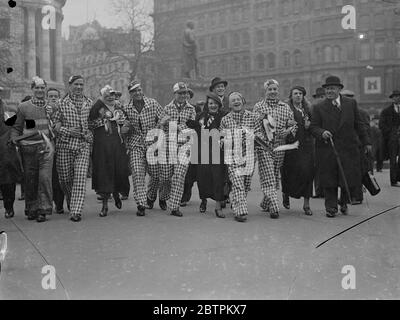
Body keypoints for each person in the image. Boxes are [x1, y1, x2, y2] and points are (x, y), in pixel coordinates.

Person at [310, 76, 371, 218]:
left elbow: (359, 124)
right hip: (327, 149)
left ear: (339, 89)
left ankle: (343, 202)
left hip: (348, 148)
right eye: (327, 89)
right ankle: (331, 207)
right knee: (329, 179)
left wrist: (367, 142)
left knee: (346, 177)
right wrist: (321, 132)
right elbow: (313, 127)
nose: (329, 91)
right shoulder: (319, 107)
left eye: (332, 88)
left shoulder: (351, 104)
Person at [10, 77, 55, 223]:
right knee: (30, 180)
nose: (40, 90)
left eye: (42, 88)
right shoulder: (23, 107)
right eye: (37, 88)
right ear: (33, 89)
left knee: (44, 179)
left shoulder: (52, 106)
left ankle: (44, 209)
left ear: (45, 89)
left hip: (46, 148)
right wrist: (14, 139)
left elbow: (57, 125)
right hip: (28, 148)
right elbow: (17, 127)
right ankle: (31, 209)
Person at [253, 79, 297, 219]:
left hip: (280, 146)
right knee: (269, 175)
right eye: (269, 89)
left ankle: (266, 203)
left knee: (274, 175)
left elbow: (293, 124)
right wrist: (264, 140)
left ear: (278, 90)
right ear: (265, 91)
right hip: (264, 146)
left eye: (274, 89)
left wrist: (289, 131)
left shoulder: (285, 107)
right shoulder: (259, 107)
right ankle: (274, 206)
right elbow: (254, 126)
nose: (272, 92)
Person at [53, 75, 93, 222]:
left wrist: (90, 134)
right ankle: (70, 199)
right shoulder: (60, 103)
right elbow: (54, 125)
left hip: (83, 145)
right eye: (76, 84)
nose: (79, 87)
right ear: (70, 85)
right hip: (65, 145)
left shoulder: (89, 103)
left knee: (80, 178)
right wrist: (68, 131)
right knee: (65, 178)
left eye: (81, 85)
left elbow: (93, 123)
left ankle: (76, 211)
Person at [124, 80, 164, 216]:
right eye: (134, 91)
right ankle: (141, 203)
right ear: (130, 93)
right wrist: (125, 128)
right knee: (137, 173)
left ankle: (151, 196)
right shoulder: (127, 108)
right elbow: (124, 126)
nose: (138, 93)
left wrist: (159, 127)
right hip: (136, 144)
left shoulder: (152, 103)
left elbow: (164, 117)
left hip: (153, 143)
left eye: (139, 90)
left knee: (156, 174)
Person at [88, 85, 130, 217]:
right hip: (102, 146)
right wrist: (102, 99)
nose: (111, 97)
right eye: (108, 95)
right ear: (102, 97)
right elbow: (91, 118)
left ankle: (116, 194)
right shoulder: (98, 107)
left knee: (118, 171)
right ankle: (105, 205)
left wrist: (126, 127)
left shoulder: (119, 107)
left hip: (118, 145)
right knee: (105, 174)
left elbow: (127, 121)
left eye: (113, 94)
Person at [158, 82, 196, 217]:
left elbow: (192, 126)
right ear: (174, 94)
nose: (183, 95)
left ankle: (174, 206)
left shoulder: (191, 109)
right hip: (168, 145)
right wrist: (164, 123)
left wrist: (176, 126)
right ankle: (162, 196)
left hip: (184, 146)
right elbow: (161, 125)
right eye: (180, 93)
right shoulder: (167, 108)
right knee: (166, 177)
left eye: (185, 93)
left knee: (179, 176)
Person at [186, 92, 227, 218]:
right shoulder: (201, 116)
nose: (212, 106)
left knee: (218, 178)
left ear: (219, 105)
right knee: (202, 178)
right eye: (210, 103)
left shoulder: (223, 117)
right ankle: (203, 200)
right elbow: (195, 132)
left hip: (217, 152)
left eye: (215, 103)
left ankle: (218, 206)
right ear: (207, 105)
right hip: (202, 151)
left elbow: (225, 132)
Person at [220, 92, 259, 222]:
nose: (236, 102)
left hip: (249, 156)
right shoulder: (225, 119)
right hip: (232, 156)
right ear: (229, 105)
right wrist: (225, 141)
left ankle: (236, 201)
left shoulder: (253, 117)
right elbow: (220, 138)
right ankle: (240, 212)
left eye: (238, 99)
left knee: (246, 184)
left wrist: (252, 137)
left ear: (243, 101)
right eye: (233, 100)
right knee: (238, 184)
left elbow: (260, 135)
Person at [281, 86, 314, 216]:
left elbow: (315, 125)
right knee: (289, 173)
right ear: (291, 96)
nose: (298, 96)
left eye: (300, 93)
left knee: (307, 173)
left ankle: (306, 204)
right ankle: (286, 194)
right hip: (291, 146)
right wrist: (287, 125)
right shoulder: (286, 109)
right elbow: (279, 126)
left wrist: (309, 125)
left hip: (306, 146)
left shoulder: (308, 109)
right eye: (295, 93)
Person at [1, 92, 22, 219]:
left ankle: (9, 207)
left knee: (8, 181)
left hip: (6, 150)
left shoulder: (9, 111)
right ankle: (8, 207)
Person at [46, 87, 65, 214]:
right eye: (51, 96)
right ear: (47, 98)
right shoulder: (43, 112)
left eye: (56, 96)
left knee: (60, 178)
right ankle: (49, 203)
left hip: (62, 148)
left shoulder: (63, 112)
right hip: (47, 149)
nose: (53, 98)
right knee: (49, 178)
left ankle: (59, 204)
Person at [379, 90, 400, 187]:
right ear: (392, 98)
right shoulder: (386, 111)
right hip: (392, 139)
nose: (397, 98)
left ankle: (398, 178)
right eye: (395, 96)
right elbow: (381, 125)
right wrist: (391, 133)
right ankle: (394, 181)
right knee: (393, 160)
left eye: (399, 96)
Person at [311, 87, 326, 199]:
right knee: (317, 167)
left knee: (327, 168)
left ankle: (325, 190)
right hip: (315, 142)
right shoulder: (313, 109)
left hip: (327, 140)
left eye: (322, 97)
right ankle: (319, 190)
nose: (320, 99)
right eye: (318, 97)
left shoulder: (329, 108)